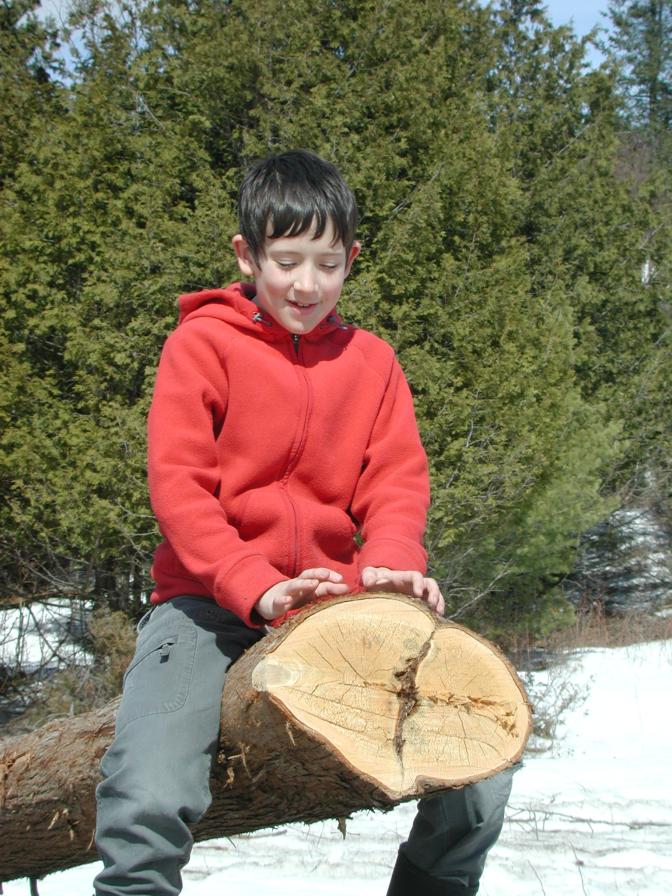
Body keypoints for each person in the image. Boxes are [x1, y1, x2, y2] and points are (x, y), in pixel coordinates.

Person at [93, 149, 516, 896]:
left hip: (335, 605)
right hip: (204, 605)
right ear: (246, 254)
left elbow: (393, 483)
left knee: (482, 769)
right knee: (151, 788)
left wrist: (388, 562)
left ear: (351, 259)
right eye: (287, 260)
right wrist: (252, 586)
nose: (307, 284)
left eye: (327, 263)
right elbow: (181, 488)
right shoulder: (201, 347)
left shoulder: (373, 364)